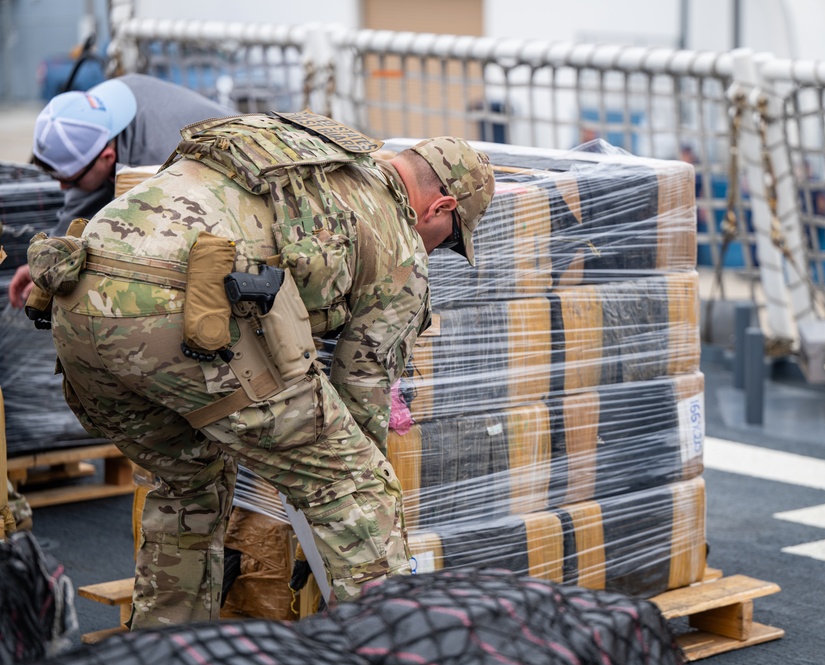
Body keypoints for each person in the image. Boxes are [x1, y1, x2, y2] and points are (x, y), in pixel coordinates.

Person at [27, 111, 494, 628]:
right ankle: (388, 648)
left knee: (188, 485)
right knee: (358, 488)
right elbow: (363, 392)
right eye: (450, 238)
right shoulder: (399, 241)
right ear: (441, 205)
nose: (439, 250)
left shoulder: (310, 158)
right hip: (173, 316)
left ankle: (163, 649)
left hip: (72, 299)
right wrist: (337, 481)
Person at [9, 74, 232, 308]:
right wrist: (49, 259)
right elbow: (81, 202)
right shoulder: (93, 111)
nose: (63, 188)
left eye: (71, 181)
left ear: (107, 158)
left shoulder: (163, 166)